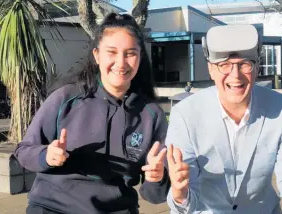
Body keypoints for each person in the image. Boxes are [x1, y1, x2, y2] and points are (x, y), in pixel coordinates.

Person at [14, 13, 170, 214]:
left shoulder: (152, 115)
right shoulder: (66, 98)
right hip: (53, 208)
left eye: (130, 53)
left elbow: (154, 196)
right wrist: (47, 156)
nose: (121, 63)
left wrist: (157, 178)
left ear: (140, 58)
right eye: (111, 52)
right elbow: (23, 151)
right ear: (97, 55)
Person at [165, 24, 282, 213]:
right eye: (224, 64)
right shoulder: (184, 115)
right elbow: (185, 197)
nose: (235, 75)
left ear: (256, 67)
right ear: (211, 69)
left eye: (244, 64)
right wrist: (180, 193)